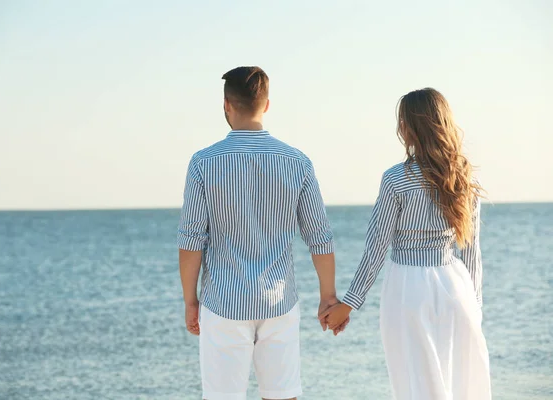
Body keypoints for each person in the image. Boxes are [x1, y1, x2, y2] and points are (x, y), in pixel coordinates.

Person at [177, 66, 348, 400]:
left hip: (224, 302)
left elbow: (191, 240)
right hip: (279, 302)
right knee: (283, 397)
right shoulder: (297, 161)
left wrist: (190, 300)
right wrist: (328, 295)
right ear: (266, 105)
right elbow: (319, 236)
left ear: (227, 105)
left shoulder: (203, 162)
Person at [322, 88, 492, 399]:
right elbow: (471, 252)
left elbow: (374, 251)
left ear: (408, 128)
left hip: (408, 290)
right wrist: (475, 309)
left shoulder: (395, 179)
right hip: (457, 290)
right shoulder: (465, 180)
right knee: (458, 387)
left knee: (416, 387)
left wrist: (348, 305)